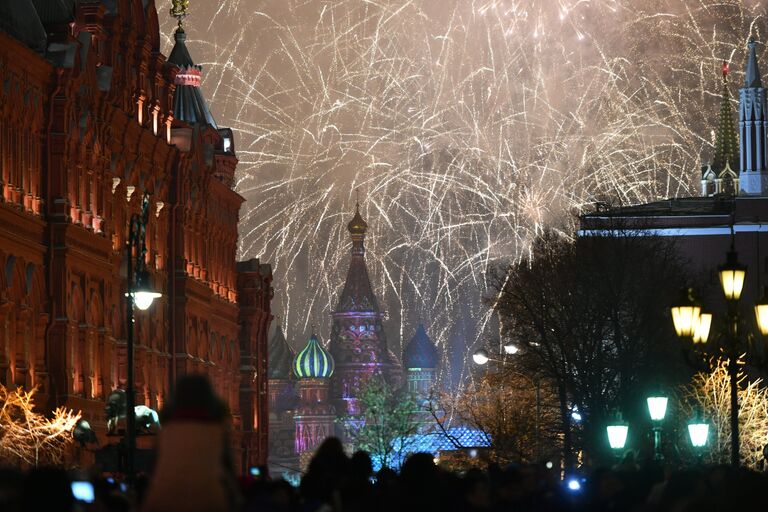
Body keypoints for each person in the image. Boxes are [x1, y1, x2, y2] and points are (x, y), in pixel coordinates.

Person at [141, 375, 239, 512]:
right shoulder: (217, 431)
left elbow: (151, 467)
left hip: (163, 502)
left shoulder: (166, 431)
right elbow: (228, 468)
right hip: (209, 501)